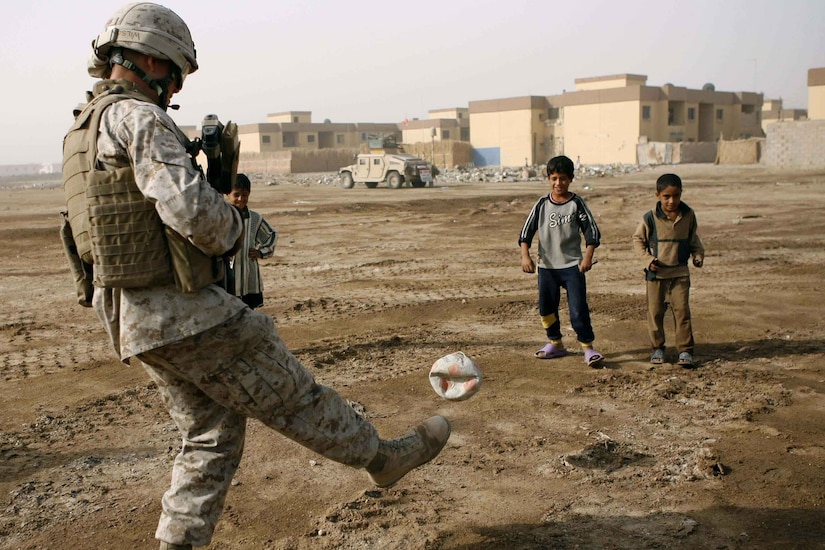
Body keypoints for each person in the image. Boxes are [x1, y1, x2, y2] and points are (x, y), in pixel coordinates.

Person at [61, 4, 450, 549]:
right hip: (180, 311)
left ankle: (178, 543)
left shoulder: (81, 129)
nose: (173, 87)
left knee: (210, 434)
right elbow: (196, 216)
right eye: (173, 73)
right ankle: (381, 457)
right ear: (151, 59)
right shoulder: (139, 118)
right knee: (291, 392)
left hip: (130, 320)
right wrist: (232, 222)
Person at [519, 155, 604, 368]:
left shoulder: (576, 203)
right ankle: (555, 343)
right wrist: (525, 256)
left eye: (563, 178)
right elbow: (526, 233)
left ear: (571, 179)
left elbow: (591, 232)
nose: (559, 183)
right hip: (547, 267)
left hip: (572, 267)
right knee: (546, 309)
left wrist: (587, 257)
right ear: (548, 178)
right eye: (554, 178)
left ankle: (588, 348)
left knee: (577, 309)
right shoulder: (541, 205)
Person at [632, 173, 704, 367]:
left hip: (680, 274)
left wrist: (698, 255)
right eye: (667, 196)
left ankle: (685, 351)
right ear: (658, 195)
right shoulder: (650, 218)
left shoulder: (688, 215)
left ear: (681, 194)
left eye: (676, 196)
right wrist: (647, 260)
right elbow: (638, 240)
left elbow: (693, 239)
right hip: (656, 275)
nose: (672, 201)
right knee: (655, 312)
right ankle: (657, 348)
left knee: (682, 312)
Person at [224, 173, 278, 309]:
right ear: (227, 194)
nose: (241, 199)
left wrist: (261, 252)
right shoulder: (221, 217)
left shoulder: (254, 218)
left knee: (248, 313)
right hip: (226, 276)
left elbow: (271, 235)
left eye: (245, 195)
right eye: (236, 194)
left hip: (248, 277)